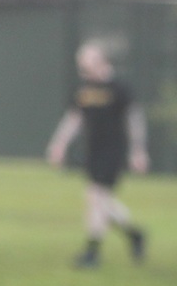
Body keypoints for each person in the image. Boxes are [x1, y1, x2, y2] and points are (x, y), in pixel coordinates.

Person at [45, 41, 149, 268]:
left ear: (101, 61)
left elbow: (134, 120)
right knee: (101, 201)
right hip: (93, 150)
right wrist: (59, 144)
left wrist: (138, 150)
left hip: (114, 151)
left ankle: (92, 253)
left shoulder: (120, 88)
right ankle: (135, 234)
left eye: (87, 63)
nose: (84, 69)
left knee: (96, 198)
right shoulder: (84, 90)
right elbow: (74, 119)